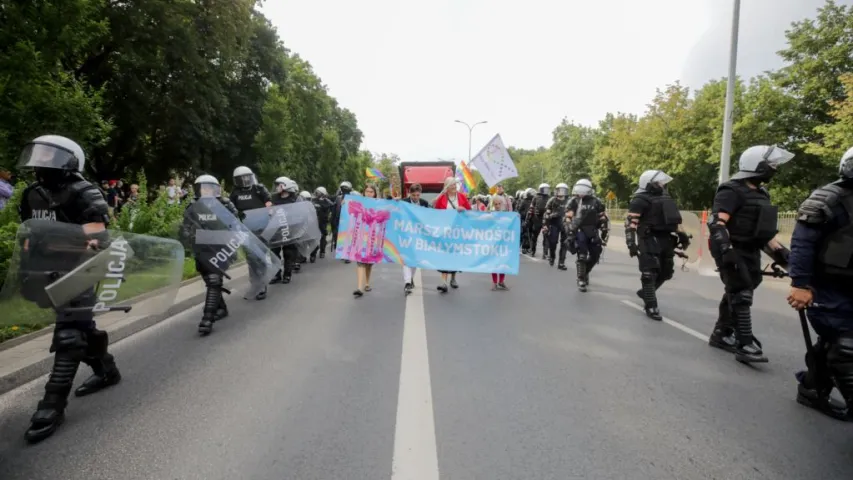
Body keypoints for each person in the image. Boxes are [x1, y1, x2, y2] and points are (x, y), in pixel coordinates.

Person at [16, 135, 121, 443]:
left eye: (51, 155)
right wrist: (25, 267)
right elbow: (28, 234)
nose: (43, 160)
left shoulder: (85, 192)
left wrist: (67, 248)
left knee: (69, 334)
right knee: (82, 329)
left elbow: (98, 240)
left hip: (80, 270)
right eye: (40, 154)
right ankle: (106, 370)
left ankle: (51, 406)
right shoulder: (31, 194)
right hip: (44, 273)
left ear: (70, 159)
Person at [707, 145, 793, 363]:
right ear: (756, 165)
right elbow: (717, 224)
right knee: (741, 290)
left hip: (751, 248)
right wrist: (727, 251)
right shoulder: (730, 190)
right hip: (731, 248)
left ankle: (721, 332)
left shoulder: (762, 194)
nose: (774, 168)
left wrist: (781, 252)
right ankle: (744, 343)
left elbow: (763, 230)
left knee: (743, 287)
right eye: (770, 164)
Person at [787, 146, 853, 420]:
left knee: (833, 342)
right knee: (847, 347)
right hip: (828, 286)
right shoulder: (829, 198)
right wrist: (800, 284)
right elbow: (803, 243)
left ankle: (813, 388)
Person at [624, 171, 687, 317]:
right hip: (648, 237)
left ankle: (645, 292)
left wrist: (682, 235)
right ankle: (651, 306)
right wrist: (631, 243)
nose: (662, 185)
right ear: (650, 183)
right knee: (649, 273)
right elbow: (631, 223)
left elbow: (675, 220)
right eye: (660, 182)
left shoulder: (667, 199)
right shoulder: (639, 199)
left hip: (666, 238)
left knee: (666, 272)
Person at [180, 175, 236, 335]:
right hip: (202, 249)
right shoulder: (193, 206)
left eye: (209, 187)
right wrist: (188, 235)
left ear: (215, 189)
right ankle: (222, 308)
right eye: (203, 188)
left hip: (221, 248)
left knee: (214, 280)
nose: (206, 191)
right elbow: (185, 226)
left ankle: (207, 318)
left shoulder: (225, 204)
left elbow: (235, 223)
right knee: (211, 282)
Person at [229, 166, 273, 298]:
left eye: (247, 177)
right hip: (245, 230)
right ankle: (255, 284)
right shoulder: (235, 192)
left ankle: (262, 286)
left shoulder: (258, 188)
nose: (245, 180)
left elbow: (268, 201)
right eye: (241, 178)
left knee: (260, 257)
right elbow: (231, 209)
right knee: (251, 259)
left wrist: (268, 209)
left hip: (261, 228)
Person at [565, 179, 608, 292]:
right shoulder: (574, 201)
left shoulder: (596, 201)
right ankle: (581, 279)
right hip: (579, 230)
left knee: (595, 255)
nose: (581, 192)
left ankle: (585, 272)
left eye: (584, 189)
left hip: (593, 230)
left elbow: (602, 216)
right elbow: (568, 217)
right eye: (579, 189)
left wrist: (604, 229)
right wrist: (569, 230)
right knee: (582, 255)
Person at [433, 177, 471, 292]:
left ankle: (453, 278)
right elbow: (436, 214)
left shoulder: (462, 197)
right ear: (446, 187)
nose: (454, 187)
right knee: (445, 256)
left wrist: (463, 209)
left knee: (455, 255)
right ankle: (443, 282)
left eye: (455, 185)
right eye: (451, 185)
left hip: (458, 232)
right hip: (445, 232)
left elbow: (469, 212)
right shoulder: (441, 199)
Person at [271, 177, 303, 284]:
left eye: (278, 185)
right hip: (276, 229)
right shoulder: (274, 198)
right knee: (274, 253)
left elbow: (302, 214)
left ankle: (287, 274)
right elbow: (268, 210)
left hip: (290, 229)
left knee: (288, 253)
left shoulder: (296, 198)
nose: (276, 187)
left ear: (284, 186)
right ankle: (276, 275)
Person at [400, 183, 429, 294]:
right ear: (409, 194)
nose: (416, 197)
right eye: (413, 195)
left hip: (419, 237)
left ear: (420, 194)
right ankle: (407, 282)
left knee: (415, 260)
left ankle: (410, 278)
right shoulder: (403, 203)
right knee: (406, 258)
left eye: (417, 195)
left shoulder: (425, 204)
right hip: (406, 235)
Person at [354, 184, 381, 297]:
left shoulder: (379, 204)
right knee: (360, 261)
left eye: (371, 192)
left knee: (369, 263)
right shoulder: (359, 203)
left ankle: (367, 283)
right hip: (361, 235)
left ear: (374, 193)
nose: (369, 193)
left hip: (373, 236)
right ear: (363, 192)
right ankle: (359, 288)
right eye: (367, 191)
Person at [543, 182, 570, 268]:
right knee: (553, 242)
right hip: (554, 224)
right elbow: (546, 214)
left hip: (565, 225)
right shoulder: (552, 200)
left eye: (563, 190)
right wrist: (546, 224)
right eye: (560, 190)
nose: (561, 192)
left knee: (565, 244)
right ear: (556, 191)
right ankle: (552, 257)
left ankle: (561, 262)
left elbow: (573, 213)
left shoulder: (569, 201)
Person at [489, 192, 511, 290]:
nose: (497, 206)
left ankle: (501, 281)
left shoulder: (507, 215)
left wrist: (517, 217)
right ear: (493, 205)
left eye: (499, 204)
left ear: (502, 204)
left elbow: (511, 224)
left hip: (503, 242)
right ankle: (494, 282)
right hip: (493, 242)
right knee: (493, 262)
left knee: (503, 261)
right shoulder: (491, 215)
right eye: (495, 204)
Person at [310, 186, 335, 262]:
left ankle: (322, 251)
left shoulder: (327, 202)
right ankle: (313, 254)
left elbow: (333, 206)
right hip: (314, 222)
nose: (316, 194)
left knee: (323, 236)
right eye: (316, 192)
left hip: (323, 222)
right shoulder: (313, 200)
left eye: (318, 193)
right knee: (314, 238)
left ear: (322, 194)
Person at [331, 180, 353, 261]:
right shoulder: (338, 198)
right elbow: (334, 211)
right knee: (339, 238)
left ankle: (347, 255)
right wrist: (333, 223)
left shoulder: (353, 199)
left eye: (346, 189)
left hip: (349, 222)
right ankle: (343, 253)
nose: (344, 191)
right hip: (339, 222)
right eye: (343, 189)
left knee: (348, 238)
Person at [526, 183, 550, 259]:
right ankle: (532, 251)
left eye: (547, 189)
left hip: (546, 220)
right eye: (544, 189)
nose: (546, 190)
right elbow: (531, 208)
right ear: (541, 189)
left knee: (546, 237)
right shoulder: (535, 197)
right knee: (534, 236)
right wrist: (529, 217)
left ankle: (545, 253)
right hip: (536, 219)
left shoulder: (549, 198)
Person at [517, 188, 535, 253]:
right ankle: (524, 247)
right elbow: (519, 210)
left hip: (532, 219)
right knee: (525, 234)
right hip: (524, 219)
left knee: (530, 234)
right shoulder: (523, 201)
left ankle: (528, 247)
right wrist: (525, 214)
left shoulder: (533, 201)